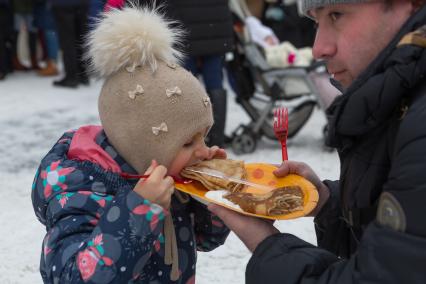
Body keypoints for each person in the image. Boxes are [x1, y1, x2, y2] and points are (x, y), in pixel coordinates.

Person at [209, 1, 426, 283]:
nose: (318, 48)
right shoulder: (401, 100)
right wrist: (328, 205)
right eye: (315, 21)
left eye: (336, 14)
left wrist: (266, 243)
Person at [31, 6, 229, 283]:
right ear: (143, 145)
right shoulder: (81, 193)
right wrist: (139, 211)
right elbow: (71, 277)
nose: (203, 150)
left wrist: (212, 197)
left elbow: (207, 238)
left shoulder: (168, 178)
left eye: (204, 137)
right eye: (187, 142)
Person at [51, 0, 90, 88]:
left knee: (67, 39)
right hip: (82, 3)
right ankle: (83, 75)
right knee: (81, 37)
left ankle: (71, 77)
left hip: (63, 4)